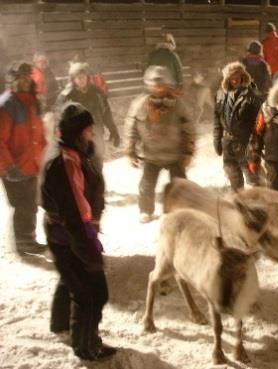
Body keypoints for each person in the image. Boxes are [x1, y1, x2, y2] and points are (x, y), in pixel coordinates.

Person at [41, 102, 116, 361]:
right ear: (76, 132)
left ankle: (60, 323)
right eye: (87, 130)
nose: (91, 133)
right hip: (69, 233)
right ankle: (86, 346)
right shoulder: (65, 162)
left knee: (71, 279)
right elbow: (73, 212)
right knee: (92, 293)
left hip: (68, 231)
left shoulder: (76, 153)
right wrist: (89, 247)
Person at [125, 66, 195, 223]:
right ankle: (146, 210)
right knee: (146, 186)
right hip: (151, 154)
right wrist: (130, 151)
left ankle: (179, 210)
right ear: (147, 85)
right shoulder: (140, 105)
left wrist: (188, 152)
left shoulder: (178, 105)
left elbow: (188, 128)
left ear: (167, 85)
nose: (157, 88)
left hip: (174, 154)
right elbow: (131, 129)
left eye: (161, 84)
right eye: (153, 84)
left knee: (180, 186)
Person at [0, 61, 47, 254]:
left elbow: (38, 135)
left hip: (31, 163)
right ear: (13, 80)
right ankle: (24, 242)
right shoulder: (7, 105)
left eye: (29, 76)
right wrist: (8, 167)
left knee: (31, 203)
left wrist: (46, 156)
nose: (26, 80)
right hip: (15, 166)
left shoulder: (32, 101)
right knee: (23, 205)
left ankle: (26, 239)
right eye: (21, 77)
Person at [56, 62, 120, 166]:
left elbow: (106, 113)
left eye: (83, 76)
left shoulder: (97, 93)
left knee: (97, 165)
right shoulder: (66, 97)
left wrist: (113, 130)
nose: (81, 80)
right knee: (81, 169)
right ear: (73, 79)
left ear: (87, 77)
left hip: (96, 135)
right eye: (78, 77)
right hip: (77, 139)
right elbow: (60, 121)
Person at [214, 62, 262, 192]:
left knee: (254, 178)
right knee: (234, 179)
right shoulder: (221, 94)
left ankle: (262, 204)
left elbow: (259, 122)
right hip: (228, 143)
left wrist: (256, 144)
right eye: (231, 77)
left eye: (237, 76)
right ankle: (240, 205)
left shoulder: (251, 95)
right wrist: (217, 139)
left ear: (243, 76)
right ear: (227, 78)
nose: (235, 80)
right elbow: (217, 119)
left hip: (245, 143)